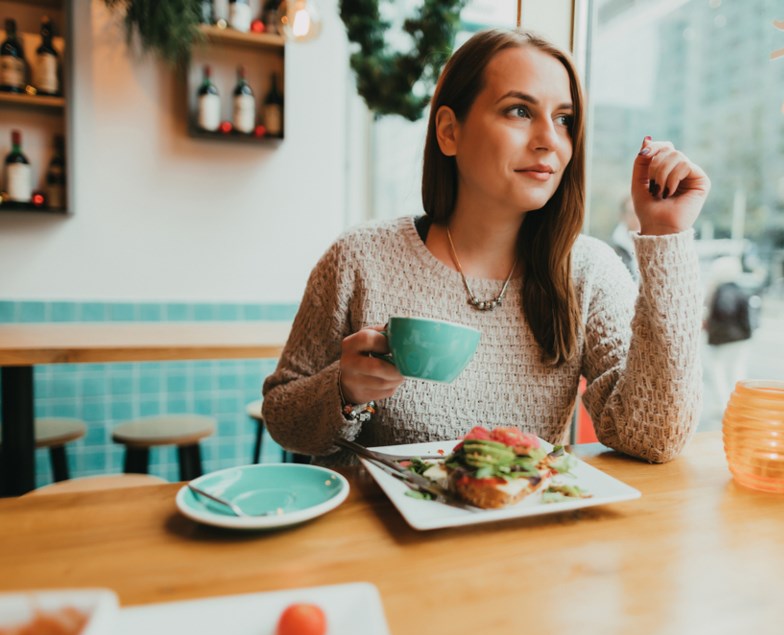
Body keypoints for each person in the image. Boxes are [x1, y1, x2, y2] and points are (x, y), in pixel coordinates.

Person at [262, 28, 710, 466]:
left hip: (519, 531)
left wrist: (665, 235)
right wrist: (343, 389)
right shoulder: (361, 258)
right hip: (381, 534)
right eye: (518, 111)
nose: (550, 140)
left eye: (564, 119)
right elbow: (283, 418)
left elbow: (655, 437)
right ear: (449, 132)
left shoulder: (588, 271)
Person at [703, 256, 753, 411]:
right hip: (742, 337)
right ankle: (741, 401)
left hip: (723, 338)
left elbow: (724, 310)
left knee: (717, 369)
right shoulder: (740, 289)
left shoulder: (719, 290)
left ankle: (723, 403)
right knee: (737, 369)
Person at [609, 196, 642, 280]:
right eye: (632, 213)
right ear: (622, 216)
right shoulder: (613, 247)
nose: (636, 218)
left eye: (639, 212)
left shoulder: (651, 241)